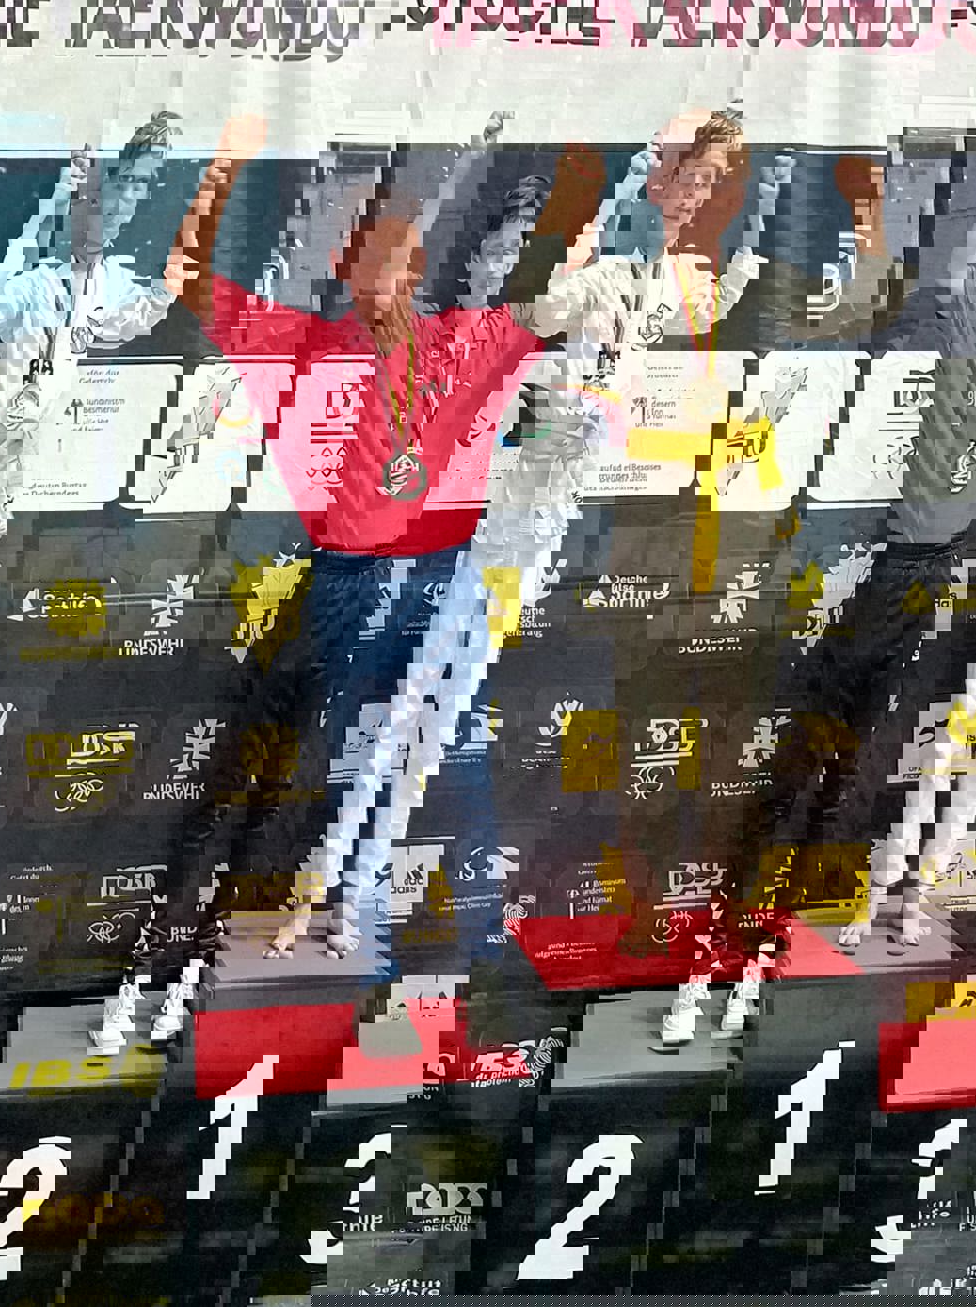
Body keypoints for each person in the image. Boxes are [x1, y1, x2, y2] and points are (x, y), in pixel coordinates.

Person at [158, 109, 764, 977]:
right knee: (392, 722)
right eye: (681, 174)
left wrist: (674, 387)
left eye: (706, 182)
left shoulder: (651, 286)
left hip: (534, 534)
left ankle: (372, 904)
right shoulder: (570, 282)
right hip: (472, 531)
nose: (691, 195)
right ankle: (328, 896)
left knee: (440, 729)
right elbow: (531, 321)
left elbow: (669, 329)